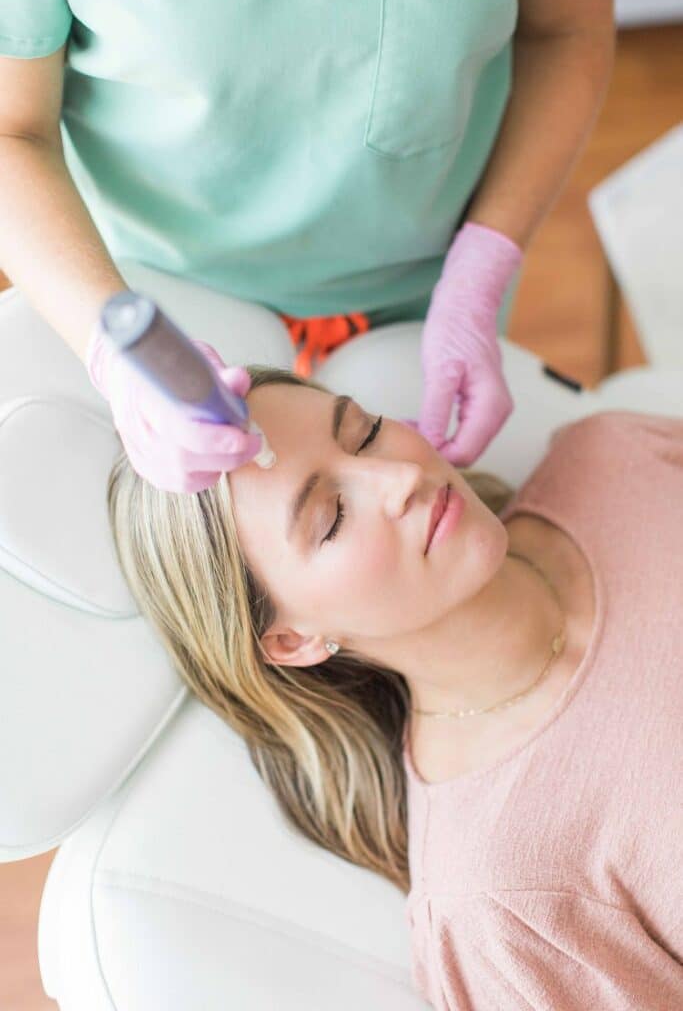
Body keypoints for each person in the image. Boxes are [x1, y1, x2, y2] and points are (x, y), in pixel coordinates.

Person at [106, 349, 683, 1009]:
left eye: (366, 431)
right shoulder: (501, 896)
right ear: (292, 640)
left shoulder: (609, 458)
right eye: (331, 519)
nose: (397, 477)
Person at [0, 0, 615, 492]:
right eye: (328, 519)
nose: (400, 491)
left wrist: (485, 260)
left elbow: (566, 32)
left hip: (436, 269)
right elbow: (11, 133)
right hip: (163, 298)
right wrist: (113, 348)